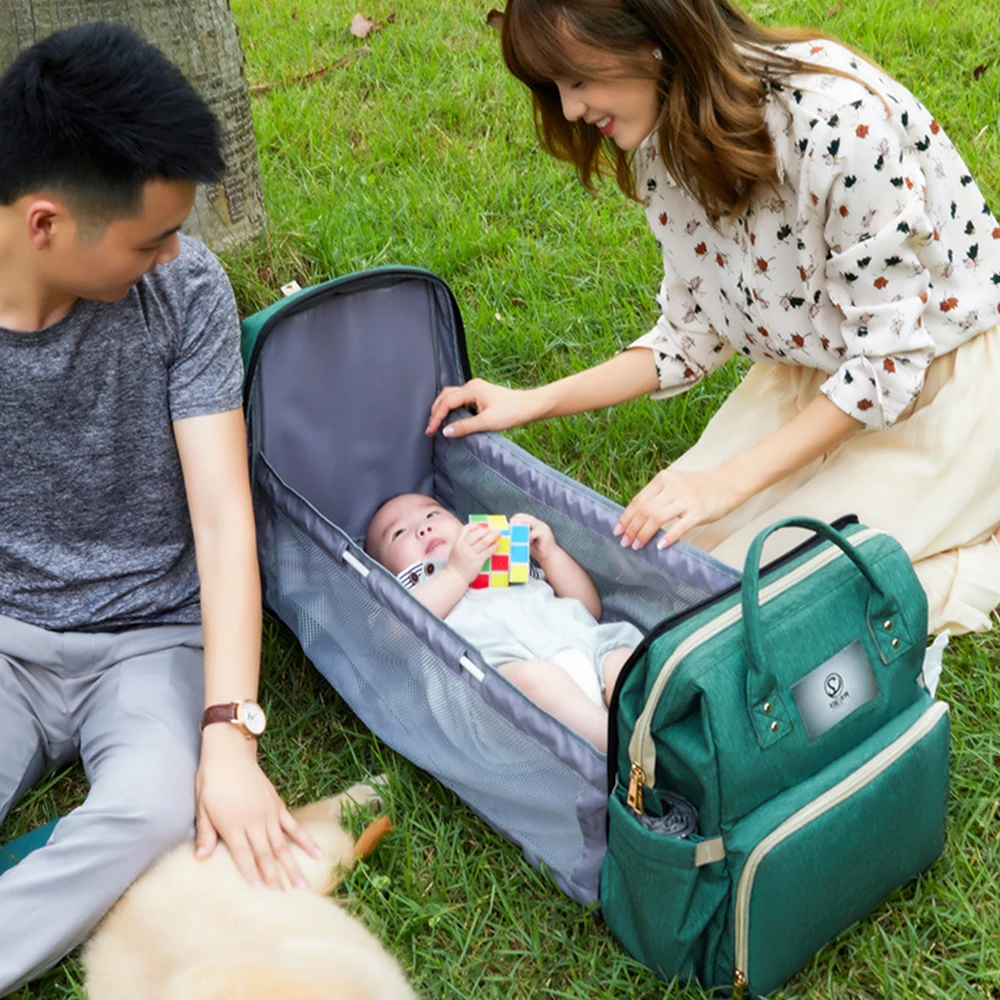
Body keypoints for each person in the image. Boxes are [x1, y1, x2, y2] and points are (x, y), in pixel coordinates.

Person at [425, 0, 1000, 635]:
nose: (569, 111)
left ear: (652, 38)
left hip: (946, 384)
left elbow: (889, 364)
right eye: (556, 87)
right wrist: (531, 401)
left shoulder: (837, 123)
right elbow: (690, 333)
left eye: (578, 80)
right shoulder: (663, 137)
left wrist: (724, 485)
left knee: (767, 610)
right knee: (674, 574)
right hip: (814, 377)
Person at [0, 23, 319, 996]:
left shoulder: (184, 293)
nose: (178, 253)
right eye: (150, 237)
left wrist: (229, 729)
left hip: (152, 640)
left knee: (149, 809)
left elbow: (223, 521)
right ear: (46, 224)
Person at [366, 494, 643, 751]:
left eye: (432, 515)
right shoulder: (411, 594)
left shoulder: (505, 558)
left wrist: (550, 555)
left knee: (624, 663)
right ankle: (625, 754)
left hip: (586, 649)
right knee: (540, 682)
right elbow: (397, 633)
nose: (423, 529)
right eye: (398, 533)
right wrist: (457, 573)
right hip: (502, 684)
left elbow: (588, 609)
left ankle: (658, 731)